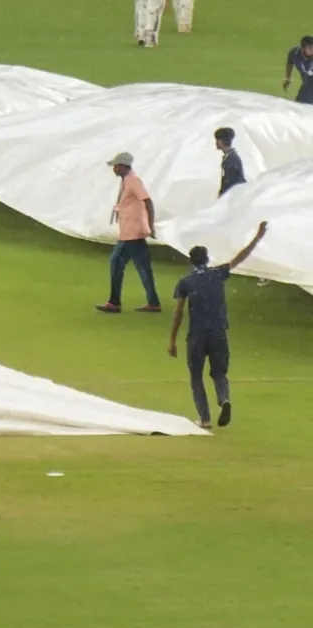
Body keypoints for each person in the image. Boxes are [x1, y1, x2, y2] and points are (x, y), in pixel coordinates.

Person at [167, 221, 269, 429]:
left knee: (196, 376)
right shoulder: (218, 274)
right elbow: (240, 258)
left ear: (191, 261)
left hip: (197, 336)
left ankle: (204, 419)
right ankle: (224, 399)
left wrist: (172, 340)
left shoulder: (186, 282)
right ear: (207, 259)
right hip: (219, 332)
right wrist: (257, 238)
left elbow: (178, 312)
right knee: (219, 373)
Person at [96, 152, 163, 314]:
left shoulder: (133, 181)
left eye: (116, 166)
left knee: (117, 264)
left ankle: (115, 302)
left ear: (124, 166)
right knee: (142, 267)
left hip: (131, 233)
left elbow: (147, 201)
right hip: (131, 232)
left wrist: (151, 226)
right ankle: (152, 302)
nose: (114, 169)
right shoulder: (128, 180)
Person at [215, 127, 246, 197]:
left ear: (221, 141)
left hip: (235, 196)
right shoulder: (229, 157)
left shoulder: (232, 159)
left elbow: (230, 182)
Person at [284, 36, 313, 105]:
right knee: (299, 106)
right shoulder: (295, 53)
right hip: (306, 86)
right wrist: (288, 78)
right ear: (303, 48)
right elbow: (290, 63)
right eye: (310, 47)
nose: (312, 49)